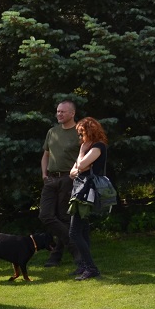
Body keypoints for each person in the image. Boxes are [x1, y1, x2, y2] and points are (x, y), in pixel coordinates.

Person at [67, 117, 109, 281]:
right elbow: (73, 172)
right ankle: (85, 266)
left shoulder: (98, 147)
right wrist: (81, 165)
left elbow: (80, 166)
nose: (80, 136)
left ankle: (91, 268)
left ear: (89, 131)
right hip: (81, 190)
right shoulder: (88, 148)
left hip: (87, 192)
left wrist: (81, 154)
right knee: (83, 230)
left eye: (81, 133)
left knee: (74, 232)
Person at [40, 100, 80, 267]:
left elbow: (84, 156)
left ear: (72, 113)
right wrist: (44, 174)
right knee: (45, 215)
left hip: (68, 179)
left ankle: (56, 256)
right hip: (51, 179)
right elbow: (46, 155)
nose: (59, 114)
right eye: (58, 111)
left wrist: (75, 173)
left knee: (64, 217)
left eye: (63, 111)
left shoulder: (79, 132)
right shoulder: (52, 132)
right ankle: (76, 248)